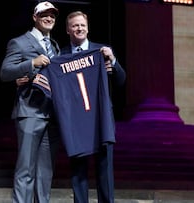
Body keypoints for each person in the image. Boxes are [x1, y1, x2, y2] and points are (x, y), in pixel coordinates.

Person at [60, 11, 126, 203]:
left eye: (82, 25)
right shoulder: (61, 55)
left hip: (100, 118)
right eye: (75, 25)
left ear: (87, 28)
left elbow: (121, 81)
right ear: (67, 30)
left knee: (104, 170)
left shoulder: (101, 52)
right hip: (76, 122)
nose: (79, 28)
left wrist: (113, 60)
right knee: (78, 170)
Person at [0, 1, 60, 203]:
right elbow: (5, 72)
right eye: (44, 14)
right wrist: (31, 63)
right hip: (30, 112)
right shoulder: (20, 42)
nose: (49, 18)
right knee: (26, 169)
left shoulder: (54, 46)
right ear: (35, 17)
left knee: (45, 172)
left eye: (52, 15)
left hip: (51, 115)